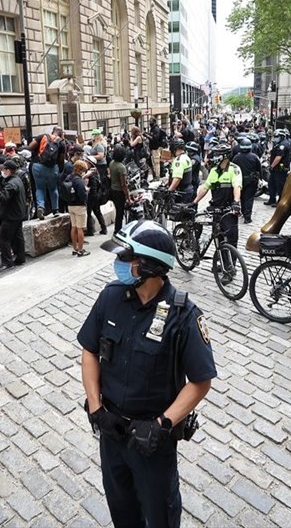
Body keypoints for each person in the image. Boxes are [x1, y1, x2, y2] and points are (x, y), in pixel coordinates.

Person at [78, 221, 216, 528]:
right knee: (121, 508)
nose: (117, 265)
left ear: (148, 266)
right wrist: (96, 408)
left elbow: (200, 380)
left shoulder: (184, 315)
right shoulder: (111, 296)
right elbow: (89, 350)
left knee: (160, 513)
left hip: (151, 438)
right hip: (111, 430)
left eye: (125, 259)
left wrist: (162, 425)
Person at [192, 144, 242, 249]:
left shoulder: (234, 169)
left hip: (229, 210)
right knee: (218, 239)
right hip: (216, 210)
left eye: (217, 154)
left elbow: (237, 186)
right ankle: (219, 261)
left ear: (225, 156)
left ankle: (230, 264)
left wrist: (236, 202)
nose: (214, 157)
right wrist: (195, 202)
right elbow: (205, 188)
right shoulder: (214, 170)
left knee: (231, 240)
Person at [0, 159, 27, 273]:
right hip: (18, 214)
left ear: (8, 170)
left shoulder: (12, 184)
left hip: (10, 215)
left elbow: (3, 198)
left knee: (3, 239)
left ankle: (7, 262)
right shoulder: (17, 180)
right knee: (18, 237)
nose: (2, 171)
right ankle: (20, 258)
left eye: (3, 169)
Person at [30, 126, 65, 220]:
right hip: (52, 168)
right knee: (53, 189)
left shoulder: (42, 136)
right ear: (61, 133)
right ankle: (55, 210)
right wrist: (60, 170)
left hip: (38, 166)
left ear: (52, 131)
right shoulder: (61, 142)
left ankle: (40, 207)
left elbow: (30, 147)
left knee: (40, 188)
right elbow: (61, 159)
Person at [231, 137, 261, 224]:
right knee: (248, 199)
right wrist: (260, 179)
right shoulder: (254, 157)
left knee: (241, 197)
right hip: (251, 181)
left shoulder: (236, 158)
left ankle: (243, 212)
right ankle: (247, 217)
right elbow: (259, 169)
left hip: (239, 181)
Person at [66, 160, 92, 257]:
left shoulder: (69, 177)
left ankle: (74, 248)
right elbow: (83, 195)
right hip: (79, 206)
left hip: (70, 205)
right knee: (80, 228)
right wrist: (87, 191)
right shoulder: (79, 180)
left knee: (73, 227)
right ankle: (81, 250)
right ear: (81, 170)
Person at [264, 129, 291, 206]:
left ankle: (280, 202)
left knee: (280, 186)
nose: (275, 138)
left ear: (282, 136)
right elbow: (275, 151)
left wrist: (272, 165)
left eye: (276, 136)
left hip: (280, 169)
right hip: (275, 169)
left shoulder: (283, 145)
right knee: (271, 184)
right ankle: (272, 199)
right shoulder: (279, 143)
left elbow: (278, 157)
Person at [109, 146, 132, 232]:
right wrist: (128, 197)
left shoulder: (112, 163)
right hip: (119, 192)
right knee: (120, 213)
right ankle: (117, 230)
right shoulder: (121, 167)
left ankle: (117, 229)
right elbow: (123, 184)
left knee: (118, 211)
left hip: (113, 189)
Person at [166, 139, 195, 203]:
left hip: (181, 193)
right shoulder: (186, 157)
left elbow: (177, 178)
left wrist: (169, 190)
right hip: (188, 190)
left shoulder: (178, 161)